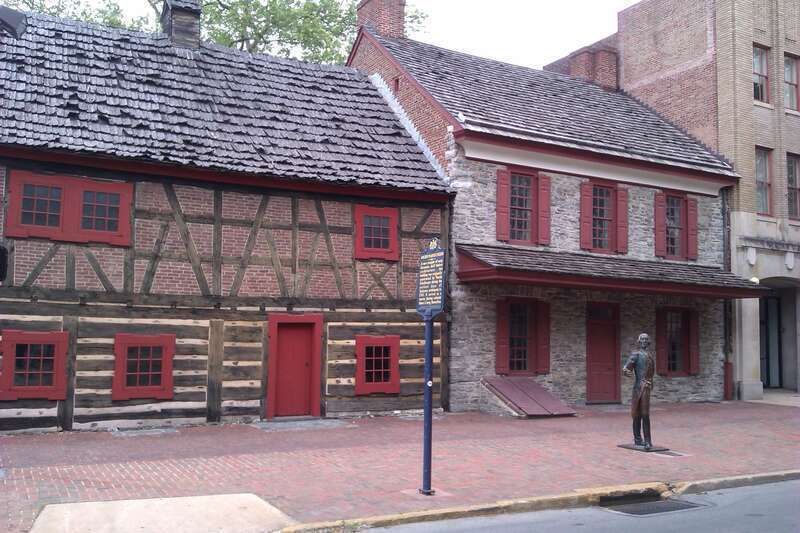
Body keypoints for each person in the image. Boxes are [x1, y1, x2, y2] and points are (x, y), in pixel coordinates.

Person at [623, 333, 655, 449]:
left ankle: (646, 440)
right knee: (638, 414)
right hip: (639, 388)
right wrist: (627, 372)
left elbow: (651, 372)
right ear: (639, 341)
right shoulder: (635, 354)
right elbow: (626, 368)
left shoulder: (650, 355)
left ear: (648, 341)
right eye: (642, 339)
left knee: (645, 414)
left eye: (646, 339)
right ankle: (640, 439)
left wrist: (650, 382)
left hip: (647, 387)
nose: (644, 341)